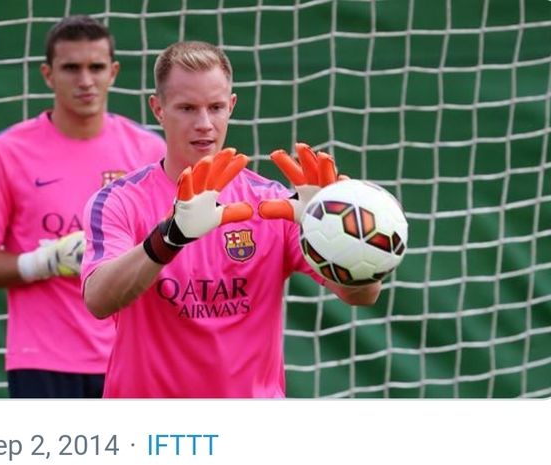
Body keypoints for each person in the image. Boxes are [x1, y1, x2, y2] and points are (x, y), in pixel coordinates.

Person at [81, 40, 381, 398]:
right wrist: (170, 236)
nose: (204, 124)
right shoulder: (119, 200)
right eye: (187, 108)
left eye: (216, 107)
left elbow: (361, 294)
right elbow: (98, 299)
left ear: (232, 106)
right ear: (158, 109)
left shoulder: (272, 203)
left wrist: (331, 227)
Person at [0, 15, 166, 398]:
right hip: (41, 360)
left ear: (114, 72)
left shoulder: (151, 151)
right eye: (71, 68)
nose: (85, 80)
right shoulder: (9, 152)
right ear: (48, 74)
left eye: (96, 67)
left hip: (133, 354)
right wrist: (46, 261)